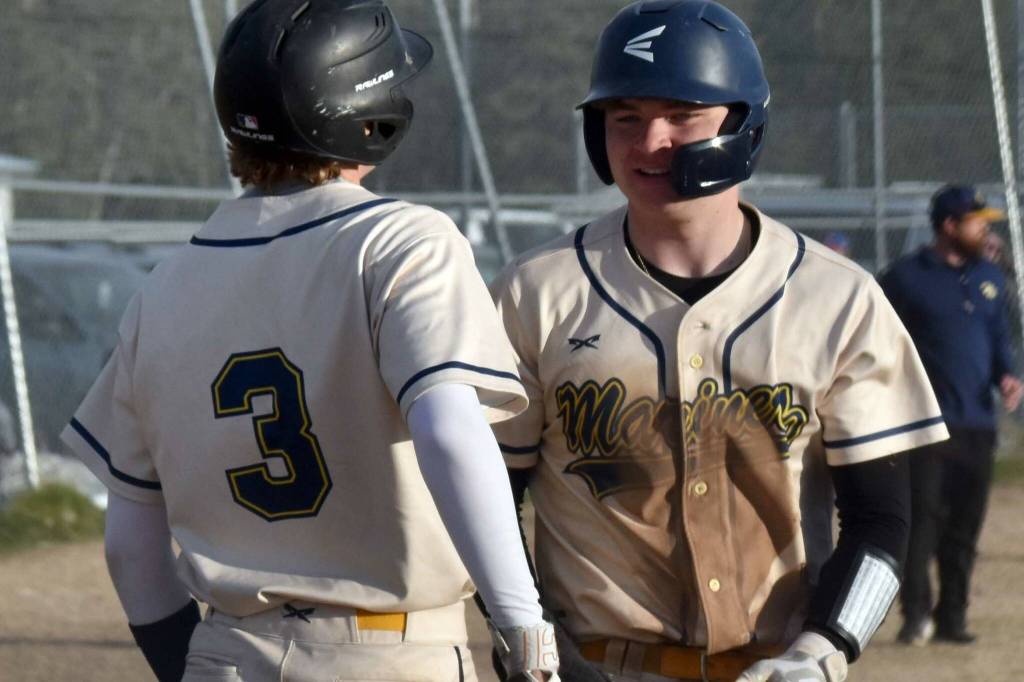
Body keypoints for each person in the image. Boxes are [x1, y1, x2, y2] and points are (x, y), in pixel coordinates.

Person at [59, 1, 560, 681]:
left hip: (227, 651)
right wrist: (524, 629)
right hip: (387, 653)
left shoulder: (163, 285)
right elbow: (447, 432)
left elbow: (129, 547)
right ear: (371, 111)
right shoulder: (401, 241)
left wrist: (201, 665)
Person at [488, 2, 948, 681]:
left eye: (682, 115)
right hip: (595, 665)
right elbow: (489, 497)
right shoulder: (535, 294)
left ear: (742, 122)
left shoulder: (836, 297)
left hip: (774, 662)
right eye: (626, 118)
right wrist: (525, 634)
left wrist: (823, 650)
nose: (650, 142)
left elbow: (882, 523)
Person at [880, 184, 1022, 646]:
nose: (985, 230)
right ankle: (916, 615)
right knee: (923, 524)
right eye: (977, 222)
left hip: (977, 423)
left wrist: (1008, 375)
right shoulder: (905, 277)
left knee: (964, 527)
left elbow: (999, 337)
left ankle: (953, 618)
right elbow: (877, 335)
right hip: (924, 422)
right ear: (949, 226)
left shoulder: (989, 277)